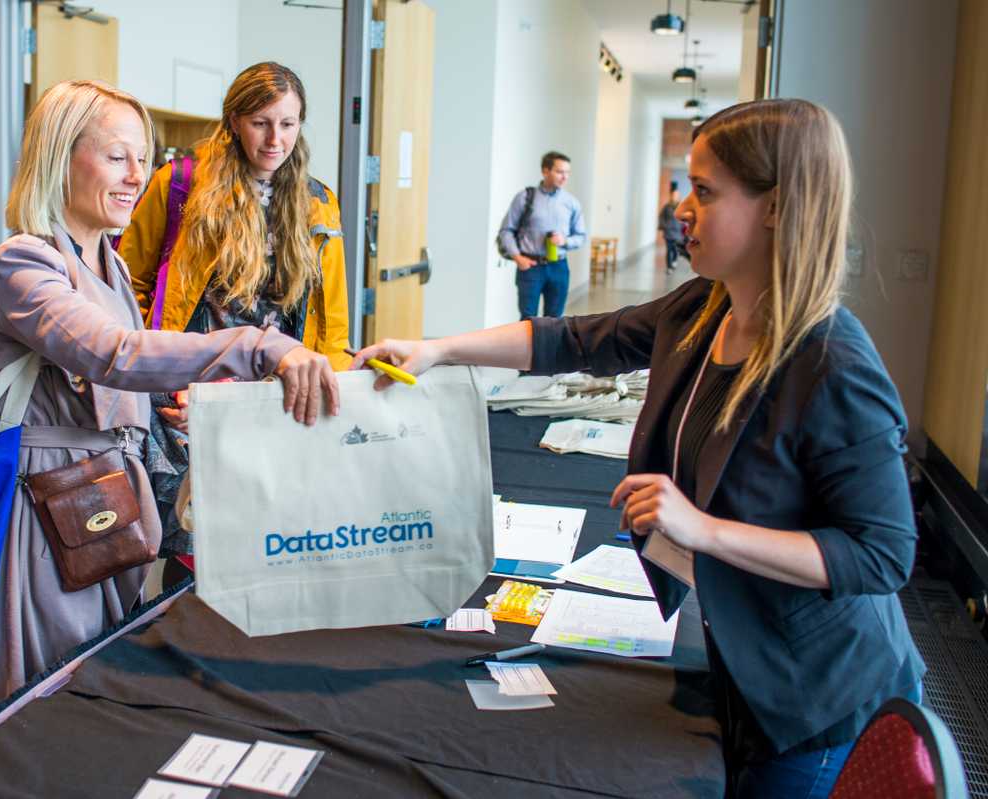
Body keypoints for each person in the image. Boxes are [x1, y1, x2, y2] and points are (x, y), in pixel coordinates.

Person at [355, 99, 924, 798]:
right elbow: (570, 340)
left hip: (813, 702)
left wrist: (704, 529)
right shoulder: (703, 308)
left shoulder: (834, 364)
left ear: (776, 208)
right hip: (737, 656)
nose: (682, 208)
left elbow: (882, 554)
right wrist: (438, 349)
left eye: (706, 192)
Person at [0, 79, 339, 733]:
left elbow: (129, 373)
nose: (138, 176)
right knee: (43, 716)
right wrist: (257, 347)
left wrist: (175, 401)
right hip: (42, 524)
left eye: (144, 157)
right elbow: (111, 353)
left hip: (104, 516)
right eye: (116, 157)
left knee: (96, 703)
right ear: (59, 155)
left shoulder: (102, 264)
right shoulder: (21, 266)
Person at [118, 62, 350, 588]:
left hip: (276, 395)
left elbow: (329, 322)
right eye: (261, 122)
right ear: (233, 121)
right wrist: (158, 383)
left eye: (288, 124)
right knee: (193, 537)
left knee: (267, 541)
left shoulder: (319, 202)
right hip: (191, 391)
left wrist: (330, 390)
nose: (276, 139)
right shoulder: (178, 185)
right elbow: (127, 288)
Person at [496, 151, 585, 320]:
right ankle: (527, 348)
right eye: (560, 172)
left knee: (555, 320)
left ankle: (548, 348)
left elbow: (581, 236)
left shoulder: (571, 203)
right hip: (530, 267)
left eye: (567, 173)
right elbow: (506, 231)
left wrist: (564, 240)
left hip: (559, 266)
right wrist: (517, 257)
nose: (565, 177)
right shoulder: (525, 198)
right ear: (545, 171)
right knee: (528, 318)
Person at [659, 181, 690, 272]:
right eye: (673, 195)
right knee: (669, 249)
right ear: (671, 196)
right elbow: (661, 217)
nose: (675, 197)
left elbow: (684, 218)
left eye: (676, 195)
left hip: (677, 232)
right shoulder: (666, 207)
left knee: (675, 249)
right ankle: (669, 267)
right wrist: (664, 226)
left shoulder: (681, 207)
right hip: (668, 232)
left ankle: (674, 260)